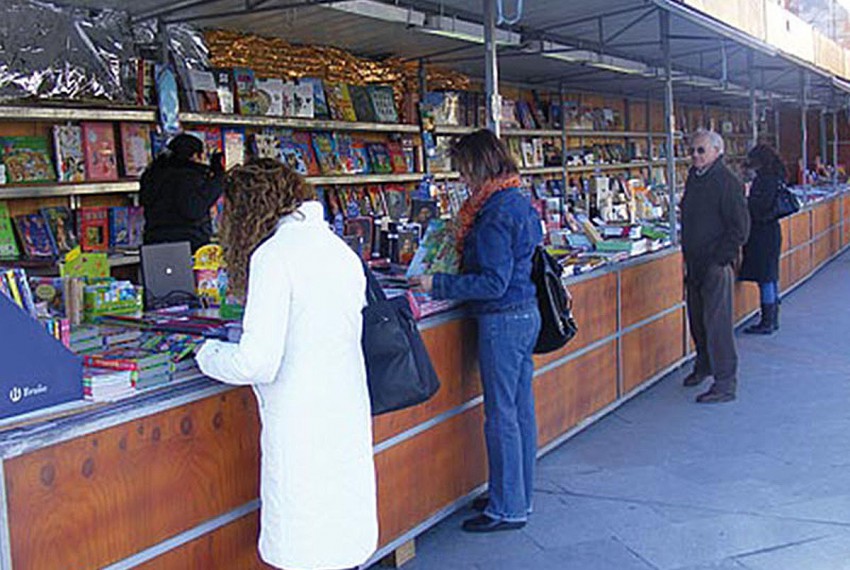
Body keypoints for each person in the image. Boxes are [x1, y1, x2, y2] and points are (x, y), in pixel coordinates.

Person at [195, 158, 377, 570]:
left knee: (305, 539)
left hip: (300, 419)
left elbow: (256, 362)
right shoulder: (339, 250)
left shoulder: (273, 257)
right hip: (344, 406)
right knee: (341, 530)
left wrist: (206, 354)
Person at [410, 129, 542, 532]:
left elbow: (492, 283)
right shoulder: (517, 200)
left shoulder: (494, 213)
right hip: (525, 313)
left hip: (502, 319)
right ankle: (517, 495)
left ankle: (506, 509)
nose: (463, 180)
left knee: (501, 415)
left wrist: (439, 284)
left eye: (465, 170)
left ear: (479, 165)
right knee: (520, 410)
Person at [680, 129, 750, 404]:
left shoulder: (726, 181)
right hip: (695, 263)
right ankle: (704, 365)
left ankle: (725, 381)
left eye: (701, 150)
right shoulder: (695, 179)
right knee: (697, 319)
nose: (695, 155)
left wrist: (721, 258)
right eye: (693, 150)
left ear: (717, 151)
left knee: (718, 323)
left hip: (715, 264)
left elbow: (740, 227)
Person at [140, 134, 224, 252]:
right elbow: (195, 208)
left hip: (154, 242)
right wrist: (218, 175)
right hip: (189, 243)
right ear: (195, 155)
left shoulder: (153, 174)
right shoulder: (190, 177)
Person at [739, 144, 785, 334]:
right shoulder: (777, 177)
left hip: (762, 234)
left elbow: (758, 208)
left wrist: (747, 200)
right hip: (771, 232)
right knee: (770, 277)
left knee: (765, 278)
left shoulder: (764, 181)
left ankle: (767, 321)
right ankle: (772, 318)